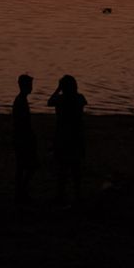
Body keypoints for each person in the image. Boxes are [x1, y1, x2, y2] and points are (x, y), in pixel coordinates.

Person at [47, 74, 87, 205]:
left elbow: (49, 102)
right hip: (75, 136)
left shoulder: (60, 99)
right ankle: (77, 195)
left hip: (62, 136)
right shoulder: (79, 98)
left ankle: (61, 195)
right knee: (75, 168)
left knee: (63, 168)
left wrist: (57, 89)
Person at [12, 74, 38, 205]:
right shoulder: (20, 101)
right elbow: (23, 122)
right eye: (30, 85)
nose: (31, 87)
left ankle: (20, 192)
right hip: (23, 137)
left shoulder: (20, 100)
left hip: (20, 136)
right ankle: (21, 192)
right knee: (27, 165)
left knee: (22, 166)